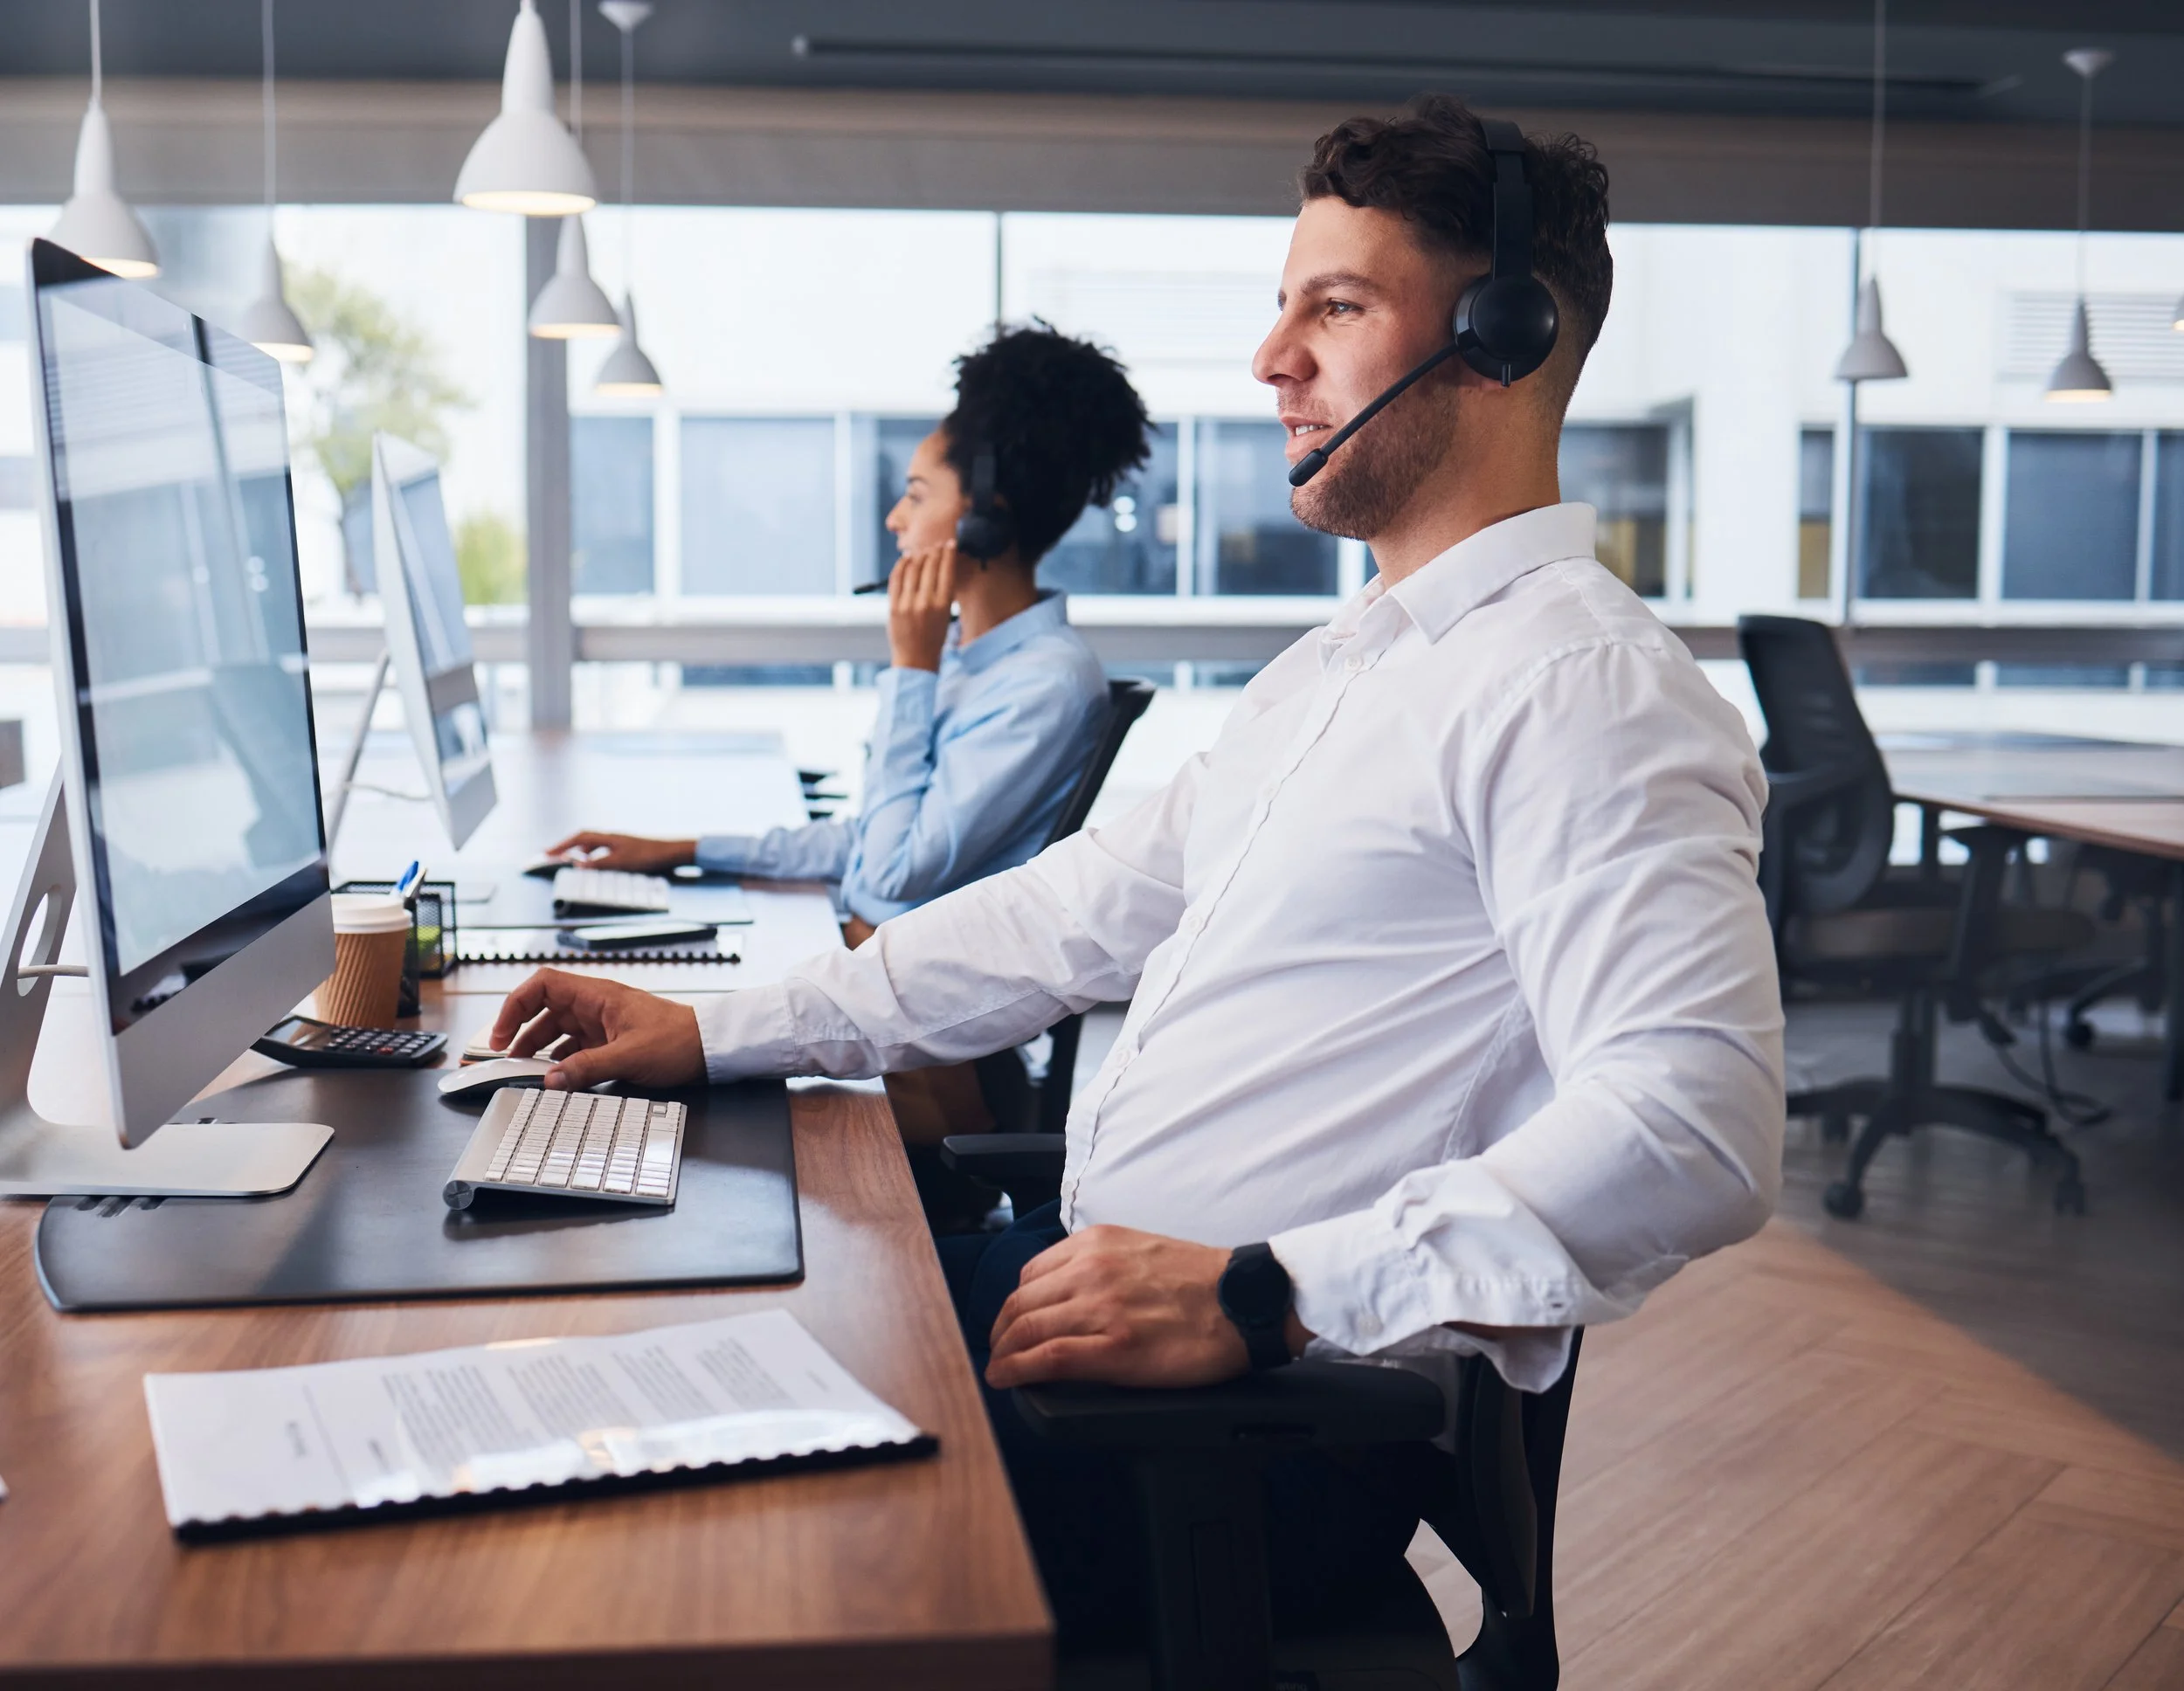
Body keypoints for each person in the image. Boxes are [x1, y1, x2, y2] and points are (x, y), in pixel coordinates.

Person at [488, 94, 1786, 1646]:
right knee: (614, 1329)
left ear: (1504, 333)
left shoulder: (1583, 688)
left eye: (1337, 307)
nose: (1271, 360)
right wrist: (714, 1028)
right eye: (1281, 306)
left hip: (1218, 1446)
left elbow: (1696, 1124)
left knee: (599, 1492)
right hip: (1085, 1324)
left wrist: (1263, 1292)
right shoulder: (1347, 670)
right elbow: (1069, 914)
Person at [547, 324, 1151, 943]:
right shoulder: (971, 658)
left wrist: (911, 670)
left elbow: (890, 876)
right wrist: (686, 849)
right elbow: (871, 840)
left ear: (985, 521)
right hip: (862, 958)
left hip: (903, 995)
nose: (895, 519)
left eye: (916, 497)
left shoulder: (1045, 684)